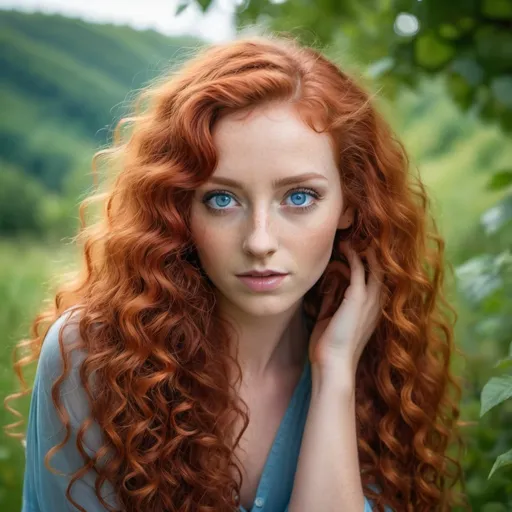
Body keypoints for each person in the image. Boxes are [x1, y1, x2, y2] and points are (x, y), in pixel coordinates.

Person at [4, 34, 468, 512]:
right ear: (180, 207)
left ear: (349, 203)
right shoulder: (96, 354)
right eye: (222, 199)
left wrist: (334, 377)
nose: (260, 241)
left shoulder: (375, 359)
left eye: (299, 197)